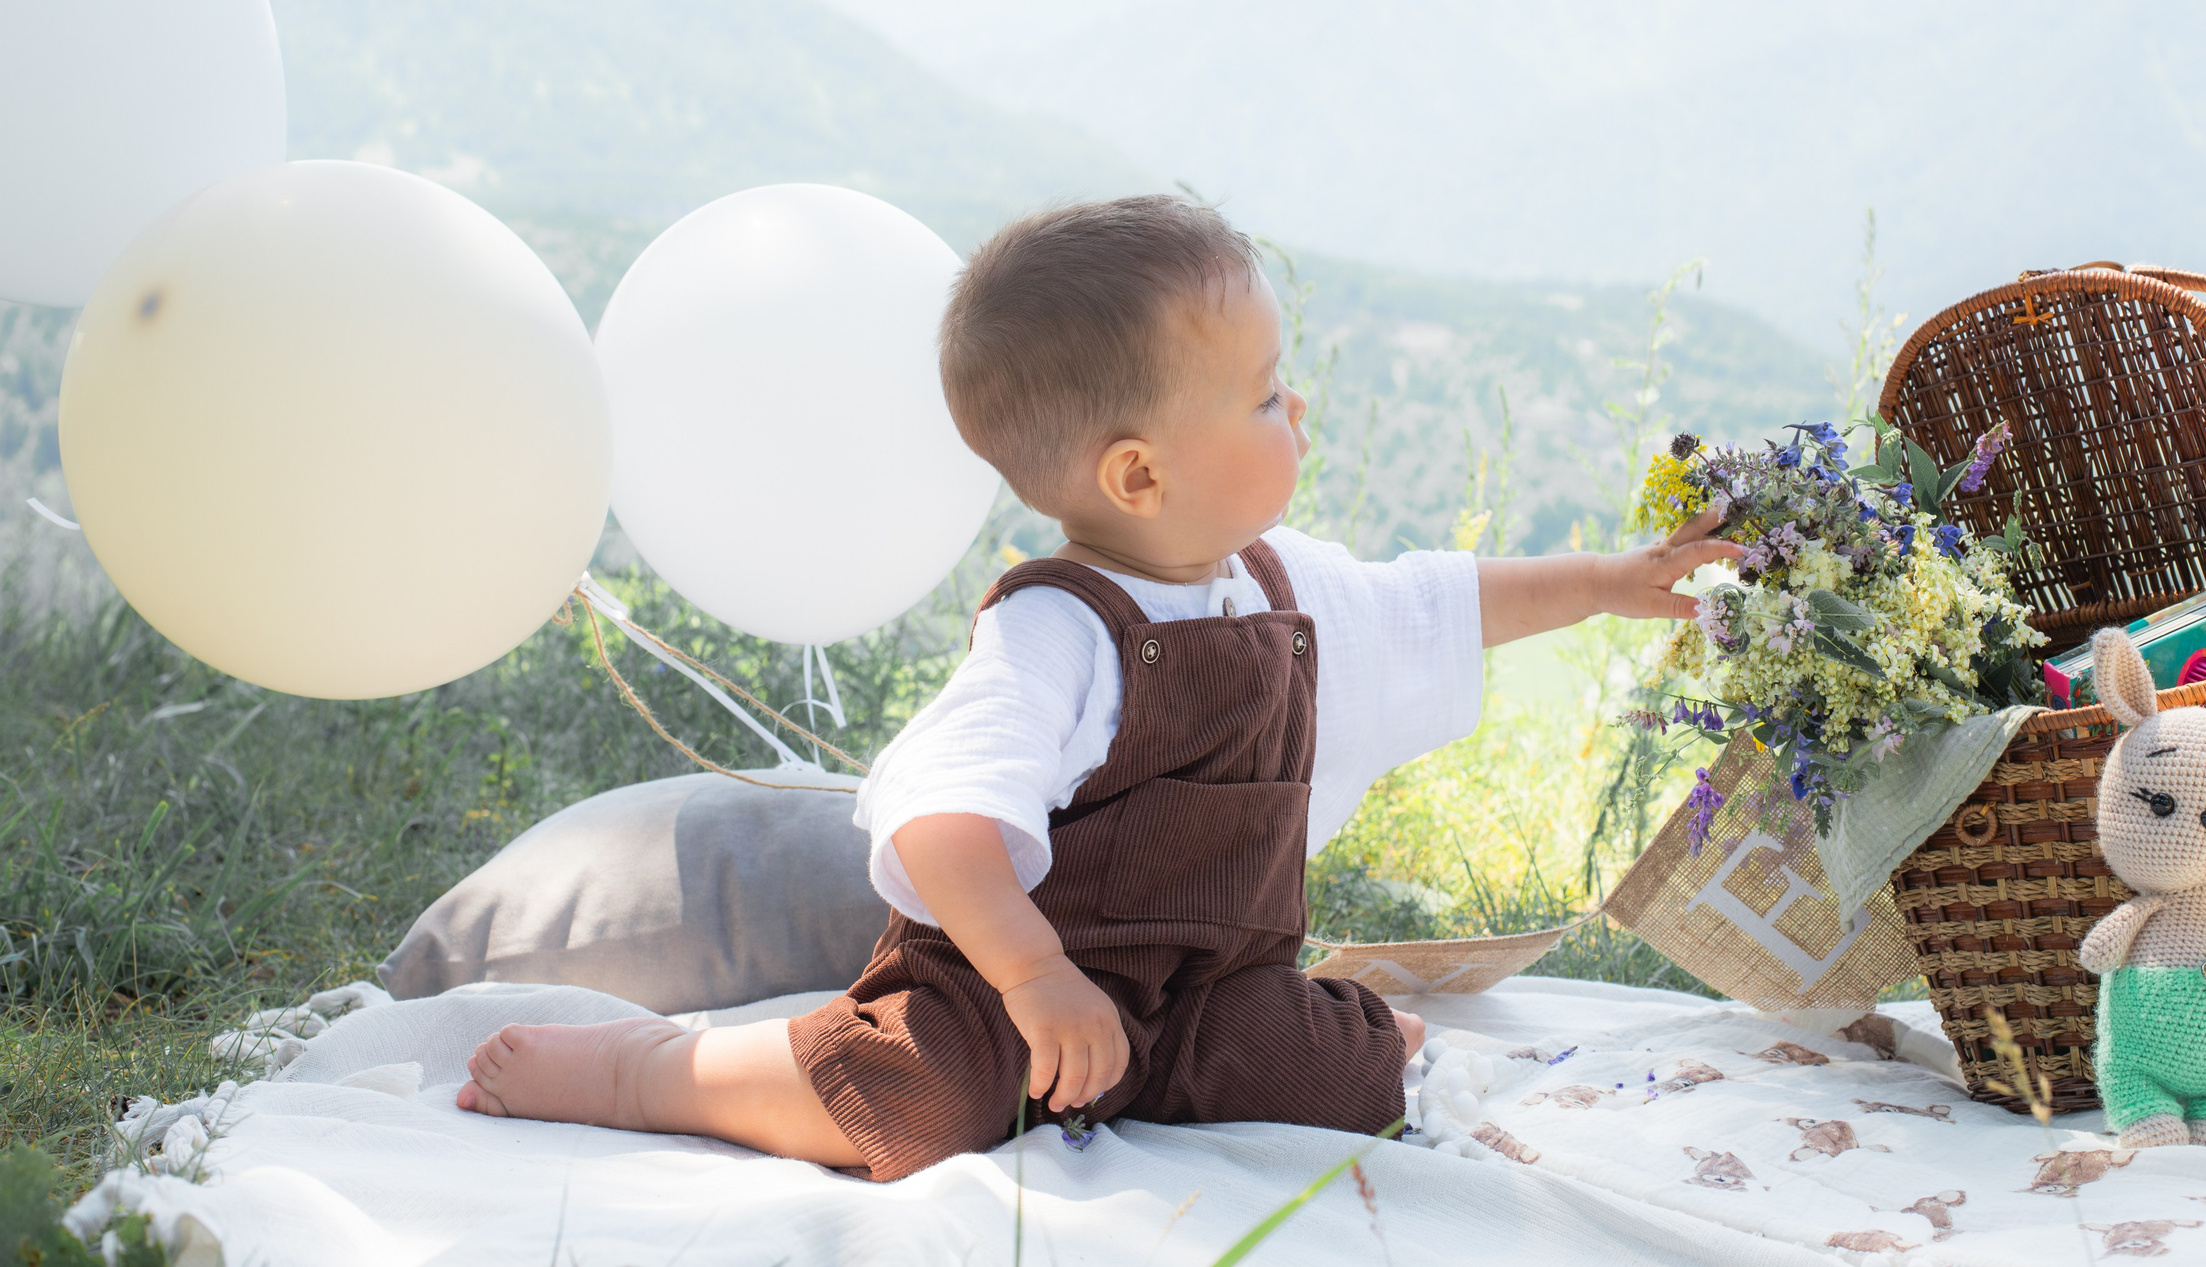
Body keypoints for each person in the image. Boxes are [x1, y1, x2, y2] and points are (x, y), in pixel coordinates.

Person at [454, 195, 1735, 1177]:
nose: (1296, 409)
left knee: (1339, 1073)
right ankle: (653, 1075)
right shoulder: (1061, 631)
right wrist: (1032, 979)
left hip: (1199, 994)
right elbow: (944, 826)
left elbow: (1447, 598)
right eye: (1260, 398)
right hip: (1015, 991)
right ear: (1137, 478)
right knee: (917, 1098)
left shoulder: (1275, 584)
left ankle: (1298, 1038)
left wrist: (1621, 579)